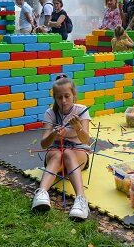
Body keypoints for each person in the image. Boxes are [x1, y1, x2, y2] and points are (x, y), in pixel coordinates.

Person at [31, 76, 91, 220]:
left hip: (77, 156)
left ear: (74, 95)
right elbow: (44, 144)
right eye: (59, 97)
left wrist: (78, 128)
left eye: (67, 96)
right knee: (59, 154)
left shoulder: (81, 110)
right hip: (55, 158)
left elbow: (87, 141)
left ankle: (81, 200)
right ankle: (41, 193)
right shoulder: (50, 113)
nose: (63, 101)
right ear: (54, 98)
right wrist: (53, 134)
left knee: (68, 152)